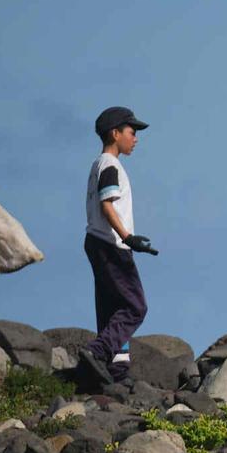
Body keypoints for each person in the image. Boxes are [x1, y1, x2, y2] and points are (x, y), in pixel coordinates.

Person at [80, 106, 157, 386]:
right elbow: (107, 203)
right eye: (131, 132)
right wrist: (127, 237)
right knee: (135, 307)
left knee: (112, 309)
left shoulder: (97, 164)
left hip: (95, 241)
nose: (135, 139)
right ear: (115, 133)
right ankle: (97, 351)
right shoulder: (110, 165)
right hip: (111, 244)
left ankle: (116, 370)